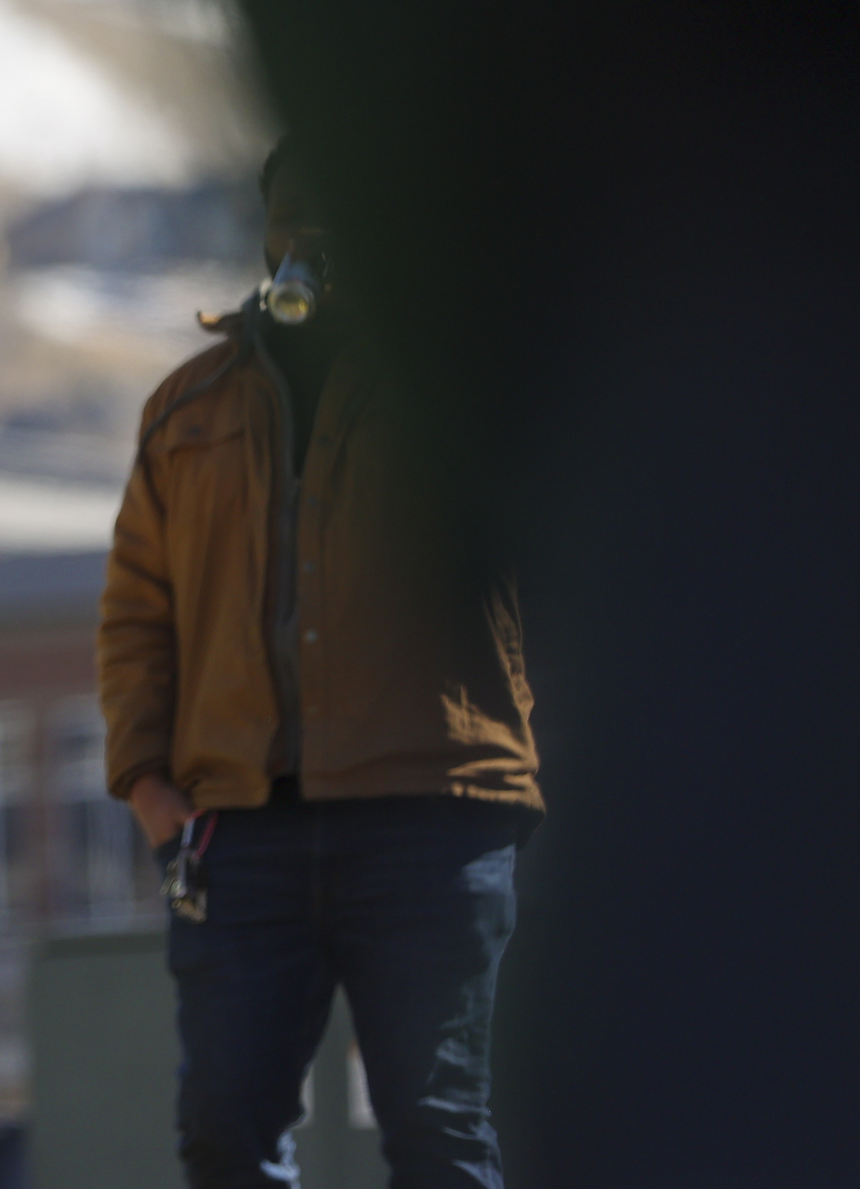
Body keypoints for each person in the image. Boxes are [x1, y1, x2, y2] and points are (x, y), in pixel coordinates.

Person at [98, 140, 541, 1188]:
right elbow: (135, 611)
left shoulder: (468, 385)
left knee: (440, 1134)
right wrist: (153, 790)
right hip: (238, 829)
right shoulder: (189, 405)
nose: (312, 236)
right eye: (293, 211)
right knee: (225, 1139)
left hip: (429, 813)